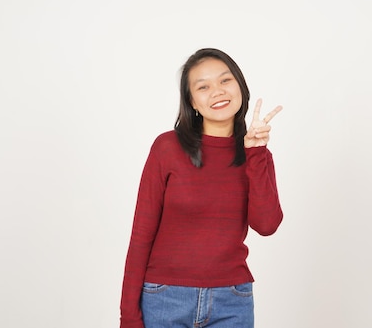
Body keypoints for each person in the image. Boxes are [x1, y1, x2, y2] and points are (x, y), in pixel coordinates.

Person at [120, 48, 283, 328]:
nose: (217, 91)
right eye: (203, 87)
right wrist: (129, 316)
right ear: (192, 102)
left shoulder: (256, 155)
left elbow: (267, 224)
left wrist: (255, 153)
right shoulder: (167, 148)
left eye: (225, 81)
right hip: (164, 299)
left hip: (232, 301)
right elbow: (141, 235)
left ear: (240, 87)